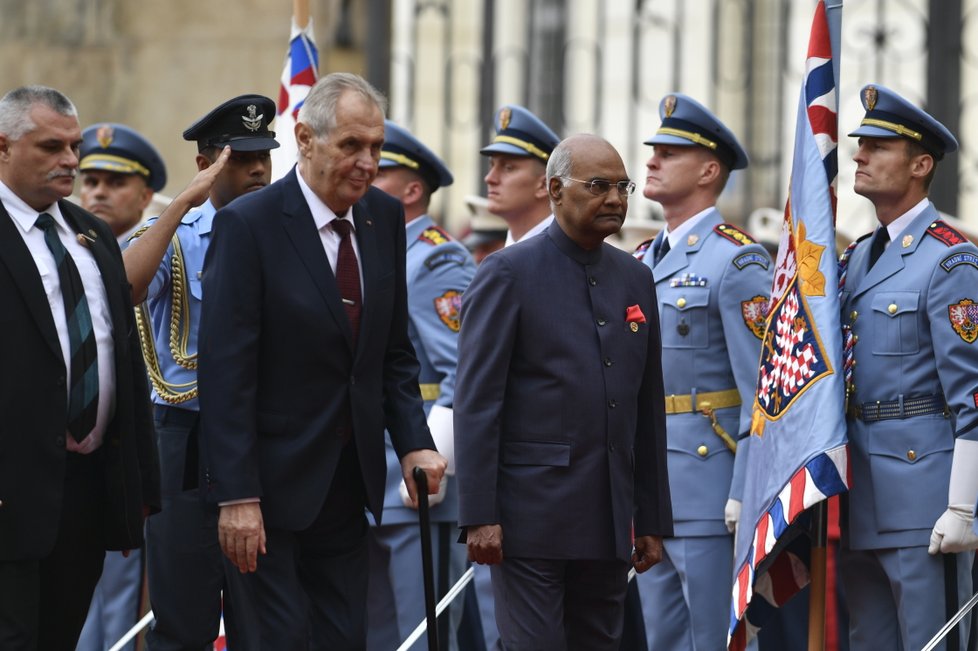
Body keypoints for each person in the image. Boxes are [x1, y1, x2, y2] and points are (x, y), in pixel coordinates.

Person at [197, 72, 447, 649]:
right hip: (266, 491)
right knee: (278, 640)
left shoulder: (382, 218)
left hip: (348, 483)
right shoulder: (250, 224)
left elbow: (392, 353)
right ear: (305, 139)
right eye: (351, 146)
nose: (367, 162)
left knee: (344, 637)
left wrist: (413, 440)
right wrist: (237, 496)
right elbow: (227, 372)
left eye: (376, 148)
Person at [455, 134, 673, 650]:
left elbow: (646, 405)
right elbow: (478, 402)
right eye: (598, 186)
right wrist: (479, 515)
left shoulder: (635, 278)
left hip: (608, 517)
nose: (616, 199)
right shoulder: (507, 273)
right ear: (554, 190)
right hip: (529, 518)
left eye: (623, 187)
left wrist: (651, 517)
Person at [0, 85, 160, 650]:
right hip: (9, 490)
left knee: (59, 637)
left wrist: (135, 484)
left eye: (73, 146)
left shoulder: (89, 235)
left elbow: (124, 360)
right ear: (2, 148)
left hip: (86, 490)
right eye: (51, 146)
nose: (71, 160)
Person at [122, 94, 278, 650]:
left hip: (261, 438)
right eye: (240, 158)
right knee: (183, 617)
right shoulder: (179, 235)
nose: (258, 168)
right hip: (183, 440)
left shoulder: (282, 234)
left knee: (262, 620)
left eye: (264, 155)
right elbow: (125, 288)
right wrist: (181, 206)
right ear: (207, 162)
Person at [630, 92, 772, 651]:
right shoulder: (642, 258)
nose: (651, 162)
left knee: (718, 638)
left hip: (711, 485)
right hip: (651, 487)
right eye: (653, 151)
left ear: (709, 170)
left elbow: (762, 389)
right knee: (663, 638)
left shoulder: (737, 259)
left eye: (669, 152)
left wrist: (745, 490)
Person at [839, 83, 978, 651]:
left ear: (921, 164)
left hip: (926, 495)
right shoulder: (853, 259)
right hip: (861, 490)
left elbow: (972, 394)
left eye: (877, 146)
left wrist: (964, 505)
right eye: (859, 145)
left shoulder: (950, 257)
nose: (858, 155)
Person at [367, 120, 476, 650]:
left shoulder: (434, 258)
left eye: (379, 169)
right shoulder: (373, 247)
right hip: (369, 473)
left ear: (412, 190)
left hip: (412, 479)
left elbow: (461, 371)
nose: (363, 173)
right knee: (375, 632)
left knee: (421, 635)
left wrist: (430, 462)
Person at [75, 122, 166, 651]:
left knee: (135, 599)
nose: (98, 192)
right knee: (89, 591)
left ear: (146, 192)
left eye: (114, 182)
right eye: (90, 180)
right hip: (94, 444)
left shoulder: (167, 250)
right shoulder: (71, 251)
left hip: (154, 440)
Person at [482, 104, 559, 246]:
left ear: (544, 185)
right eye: (492, 165)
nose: (489, 178)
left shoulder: (568, 255)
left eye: (508, 168)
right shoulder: (503, 254)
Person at [78, 122, 166, 242]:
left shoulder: (161, 253)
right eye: (92, 182)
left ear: (145, 197)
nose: (99, 193)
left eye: (116, 183)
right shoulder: (66, 248)